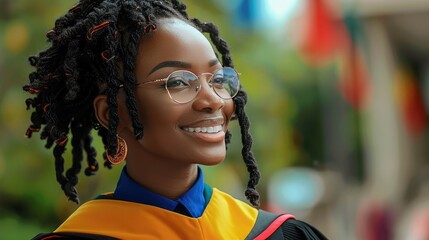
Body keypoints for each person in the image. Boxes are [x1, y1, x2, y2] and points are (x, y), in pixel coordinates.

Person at [24, 0, 328, 239]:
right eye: (177, 82)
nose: (212, 100)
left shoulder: (280, 235)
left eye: (217, 78)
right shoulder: (85, 236)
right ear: (111, 113)